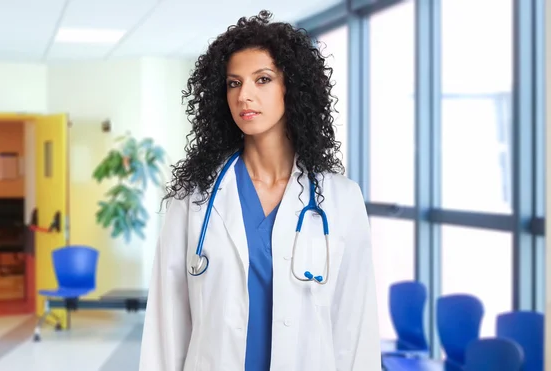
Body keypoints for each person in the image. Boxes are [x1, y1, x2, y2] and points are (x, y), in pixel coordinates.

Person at [139, 10, 381, 371]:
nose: (244, 95)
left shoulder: (341, 200)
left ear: (292, 88)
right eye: (234, 83)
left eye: (262, 79)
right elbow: (166, 328)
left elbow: (355, 327)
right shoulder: (194, 200)